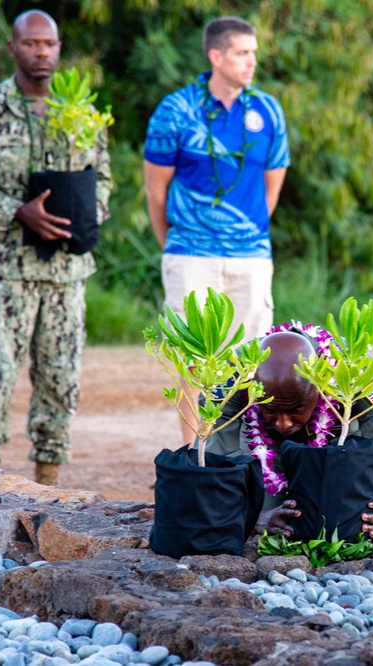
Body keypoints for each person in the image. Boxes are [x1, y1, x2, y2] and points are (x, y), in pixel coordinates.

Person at [0, 10, 112, 486]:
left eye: (50, 44)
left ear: (60, 49)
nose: (42, 52)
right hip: (6, 270)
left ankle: (46, 484)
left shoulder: (79, 113)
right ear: (13, 49)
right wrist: (16, 210)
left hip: (65, 272)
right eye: (32, 44)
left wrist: (85, 216)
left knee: (61, 380)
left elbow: (102, 177)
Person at [143, 16, 290, 446]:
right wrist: (173, 245)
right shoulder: (176, 110)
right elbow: (156, 191)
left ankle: (241, 458)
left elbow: (272, 185)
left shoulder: (267, 110)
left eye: (254, 53)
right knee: (194, 362)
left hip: (250, 256)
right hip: (190, 252)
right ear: (216, 56)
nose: (252, 61)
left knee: (251, 363)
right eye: (243, 53)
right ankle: (194, 456)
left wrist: (245, 235)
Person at [203, 326, 373, 539]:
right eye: (270, 408)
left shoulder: (361, 373)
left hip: (337, 444)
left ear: (320, 385)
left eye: (295, 409)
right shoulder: (233, 373)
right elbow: (210, 461)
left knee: (338, 527)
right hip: (261, 447)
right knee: (270, 531)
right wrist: (249, 516)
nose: (284, 423)